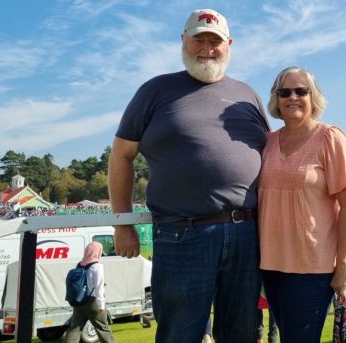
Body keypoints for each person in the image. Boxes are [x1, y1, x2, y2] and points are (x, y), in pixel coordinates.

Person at [108, 8, 270, 343]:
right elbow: (121, 156)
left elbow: (271, 155)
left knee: (243, 333)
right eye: (199, 39)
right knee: (180, 334)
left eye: (216, 41)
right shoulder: (155, 91)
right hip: (182, 235)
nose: (207, 48)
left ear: (230, 45)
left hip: (246, 234)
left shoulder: (248, 95)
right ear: (184, 41)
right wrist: (122, 223)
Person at [258, 66, 346, 343]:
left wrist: (343, 264)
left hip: (312, 266)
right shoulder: (267, 142)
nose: (292, 97)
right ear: (276, 98)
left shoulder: (330, 138)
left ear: (313, 96)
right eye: (285, 92)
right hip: (270, 264)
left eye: (300, 91)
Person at [64, 242, 116, 343]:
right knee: (103, 329)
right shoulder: (97, 266)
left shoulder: (80, 264)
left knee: (74, 329)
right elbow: (99, 287)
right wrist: (101, 306)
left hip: (79, 300)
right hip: (92, 301)